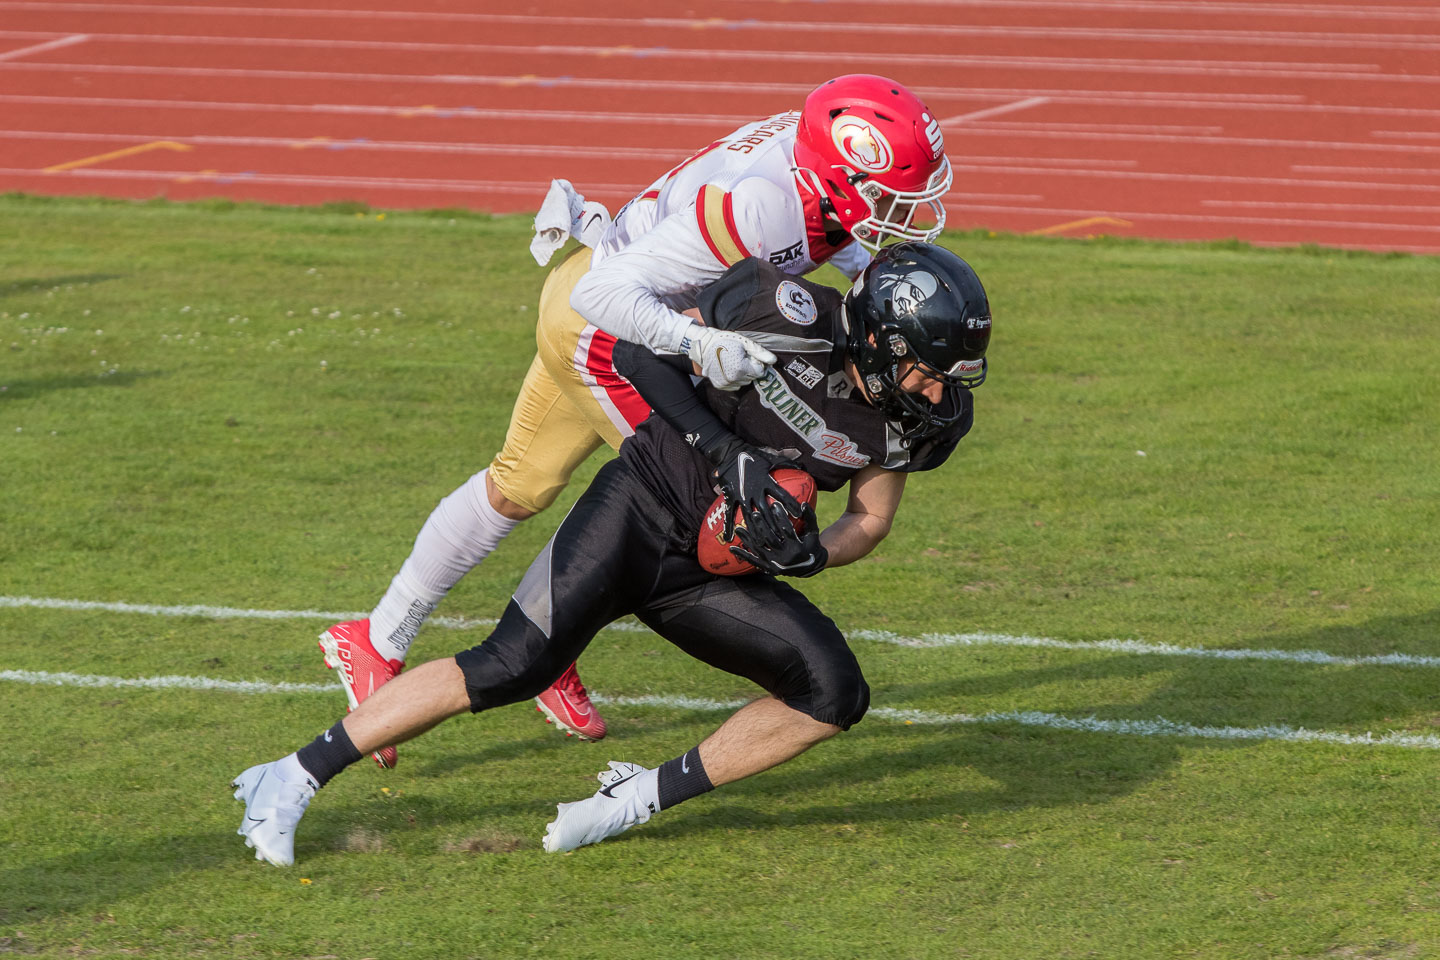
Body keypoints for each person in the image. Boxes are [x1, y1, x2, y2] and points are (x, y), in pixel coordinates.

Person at [232, 241, 990, 866]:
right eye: (928, 369)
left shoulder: (916, 422)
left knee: (833, 693)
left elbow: (870, 516)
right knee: (509, 665)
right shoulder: (777, 309)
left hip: (717, 568)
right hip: (638, 507)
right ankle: (291, 776)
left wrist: (812, 558)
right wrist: (727, 450)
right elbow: (637, 353)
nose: (935, 392)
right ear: (878, 340)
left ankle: (629, 800)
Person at [317, 74, 956, 765]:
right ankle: (546, 640)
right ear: (840, 171)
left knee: (519, 484)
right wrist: (695, 343)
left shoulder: (806, 171)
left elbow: (815, 241)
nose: (900, 209)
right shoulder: (762, 207)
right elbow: (609, 295)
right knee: (676, 499)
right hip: (608, 322)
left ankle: (378, 638)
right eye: (890, 193)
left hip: (595, 296)